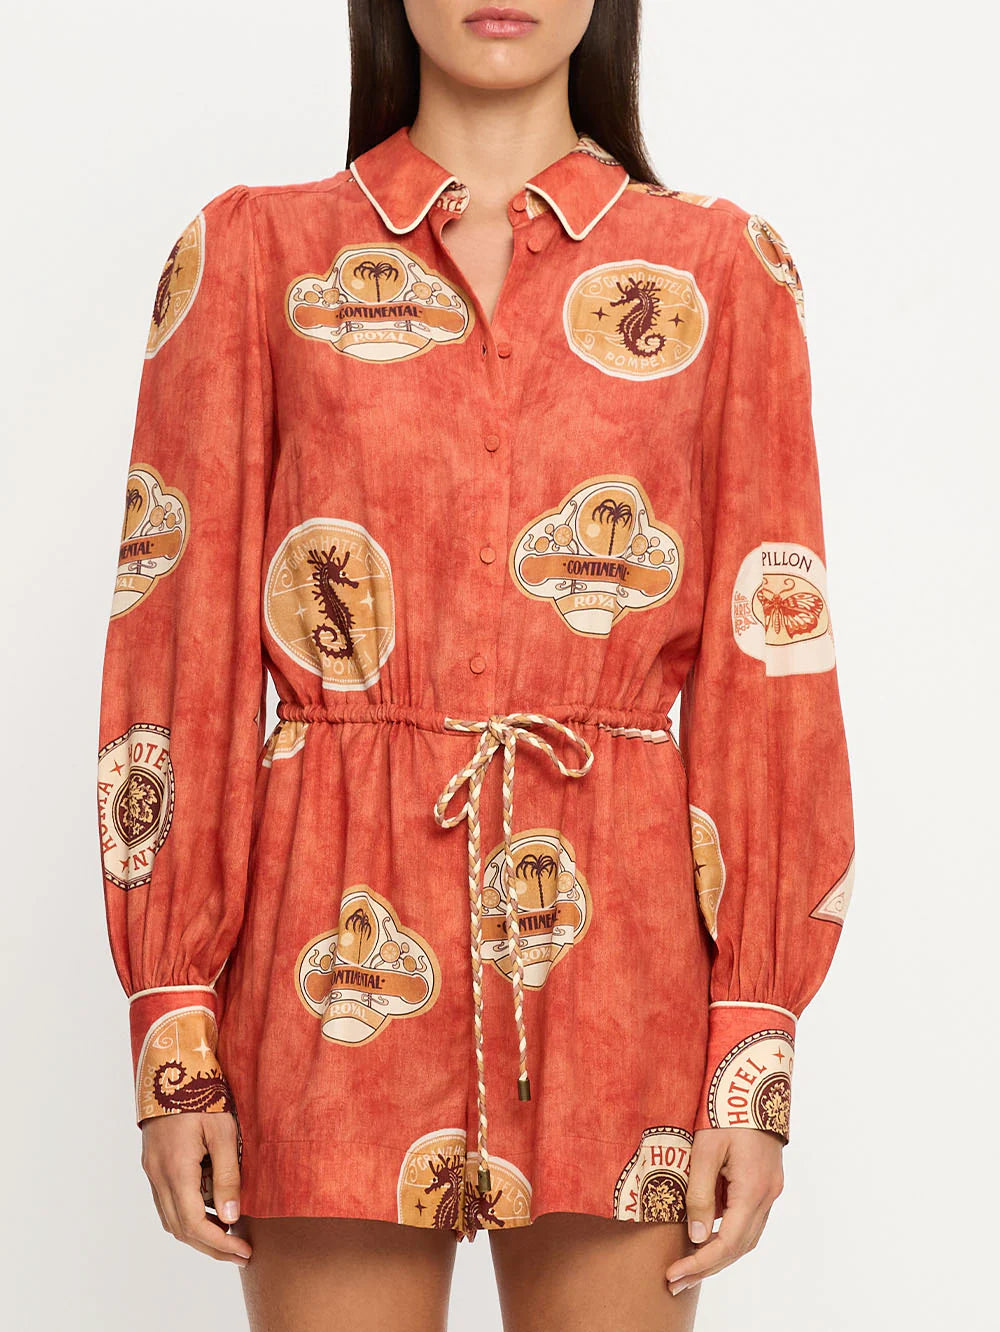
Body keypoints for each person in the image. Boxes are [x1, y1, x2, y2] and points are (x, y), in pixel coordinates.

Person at [95, 2, 856, 1328]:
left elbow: (770, 670)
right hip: (331, 953)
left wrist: (756, 1036)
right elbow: (178, 650)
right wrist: (173, 1019)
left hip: (621, 964)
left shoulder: (722, 269)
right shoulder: (254, 252)